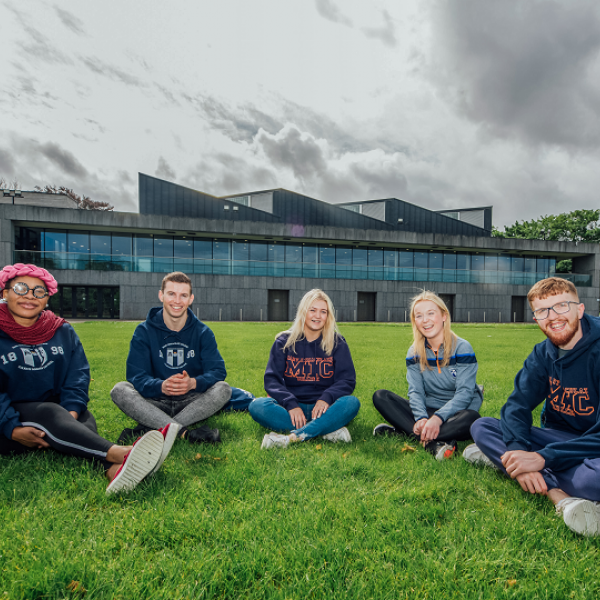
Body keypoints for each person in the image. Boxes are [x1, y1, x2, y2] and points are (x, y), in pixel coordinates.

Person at [0, 263, 175, 495]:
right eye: (21, 288)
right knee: (49, 414)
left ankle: (111, 470)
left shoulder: (61, 330)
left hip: (55, 413)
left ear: (47, 298)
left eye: (39, 291)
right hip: (10, 419)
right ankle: (120, 454)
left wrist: (70, 413)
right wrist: (11, 428)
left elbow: (78, 375)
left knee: (83, 419)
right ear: (5, 292)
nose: (30, 297)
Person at [466, 277, 600, 536]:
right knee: (483, 426)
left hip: (593, 446)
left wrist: (542, 458)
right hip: (559, 439)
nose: (553, 317)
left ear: (580, 309)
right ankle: (555, 492)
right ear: (536, 318)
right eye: (542, 311)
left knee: (593, 480)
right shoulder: (543, 354)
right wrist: (517, 449)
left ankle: (504, 462)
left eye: (561, 306)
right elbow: (516, 406)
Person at [111, 272, 232, 445]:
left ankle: (154, 426)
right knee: (120, 390)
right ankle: (185, 433)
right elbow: (135, 376)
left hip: (191, 401)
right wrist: (161, 386)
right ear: (161, 295)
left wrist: (193, 383)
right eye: (171, 294)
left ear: (191, 299)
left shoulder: (203, 332)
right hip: (155, 400)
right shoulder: (143, 331)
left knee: (224, 389)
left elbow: (218, 371)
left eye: (183, 295)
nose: (177, 301)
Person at [372, 291, 482, 460]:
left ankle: (407, 433)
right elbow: (416, 391)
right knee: (381, 396)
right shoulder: (414, 351)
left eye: (431, 313)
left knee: (473, 419)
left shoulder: (462, 348)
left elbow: (465, 394)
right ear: (415, 321)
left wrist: (438, 419)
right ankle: (435, 440)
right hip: (429, 410)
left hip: (457, 413)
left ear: (444, 316)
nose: (425, 320)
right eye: (419, 316)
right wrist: (422, 417)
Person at [249, 289, 360, 448]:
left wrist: (326, 397)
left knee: (351, 403)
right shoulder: (284, 342)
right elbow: (272, 380)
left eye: (323, 312)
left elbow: (347, 380)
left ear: (328, 316)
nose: (318, 316)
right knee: (256, 405)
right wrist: (291, 404)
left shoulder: (337, 342)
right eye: (312, 310)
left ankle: (291, 438)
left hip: (325, 409)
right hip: (291, 410)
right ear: (303, 312)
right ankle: (326, 430)